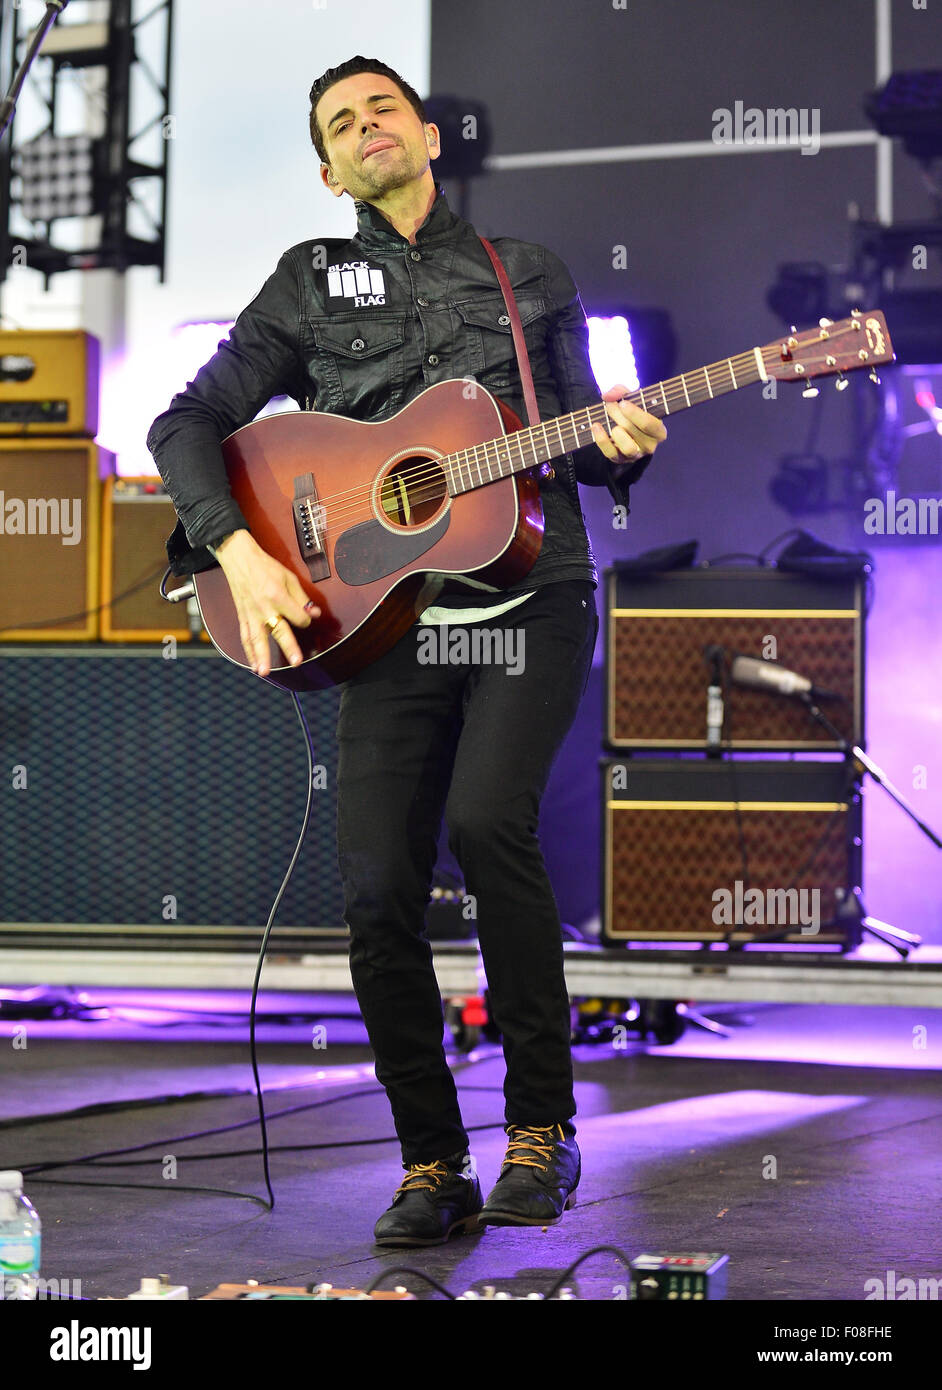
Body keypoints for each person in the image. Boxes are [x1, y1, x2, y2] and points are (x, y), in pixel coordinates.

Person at [147, 55, 666, 1247]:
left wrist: (626, 442)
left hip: (532, 592)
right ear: (329, 172)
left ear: (427, 136)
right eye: (342, 123)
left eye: (384, 107)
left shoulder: (525, 271)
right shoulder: (307, 283)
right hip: (383, 617)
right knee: (377, 886)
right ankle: (432, 1159)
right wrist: (239, 549)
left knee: (490, 826)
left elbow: (586, 439)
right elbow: (187, 422)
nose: (367, 126)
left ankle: (542, 1128)